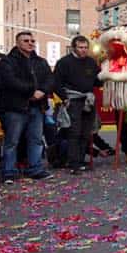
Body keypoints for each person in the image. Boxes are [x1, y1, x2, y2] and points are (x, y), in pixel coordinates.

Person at [0, 31, 54, 183]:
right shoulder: (8, 61)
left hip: (37, 106)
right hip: (15, 107)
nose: (30, 43)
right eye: (26, 41)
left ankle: (35, 169)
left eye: (32, 41)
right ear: (17, 43)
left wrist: (42, 91)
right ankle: (9, 172)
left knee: (36, 139)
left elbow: (50, 79)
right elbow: (10, 81)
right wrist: (31, 91)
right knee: (12, 141)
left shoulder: (41, 61)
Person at [54, 35, 101, 174]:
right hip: (73, 100)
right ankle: (73, 163)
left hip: (88, 100)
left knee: (86, 132)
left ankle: (80, 160)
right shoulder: (64, 62)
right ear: (74, 48)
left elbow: (98, 81)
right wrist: (64, 98)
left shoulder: (91, 62)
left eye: (86, 47)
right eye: (80, 47)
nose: (84, 50)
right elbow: (56, 82)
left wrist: (109, 74)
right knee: (74, 132)